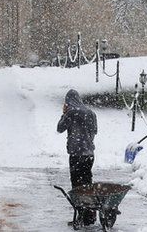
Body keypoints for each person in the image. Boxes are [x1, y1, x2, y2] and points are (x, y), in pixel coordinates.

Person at [57, 89, 97, 226]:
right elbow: (94, 131)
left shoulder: (71, 113)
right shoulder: (91, 113)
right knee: (87, 183)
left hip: (76, 154)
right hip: (89, 154)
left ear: (68, 102)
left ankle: (81, 215)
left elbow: (60, 128)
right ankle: (89, 215)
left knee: (77, 186)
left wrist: (64, 114)